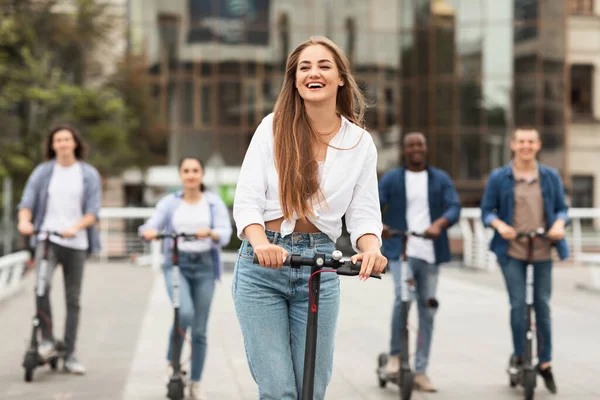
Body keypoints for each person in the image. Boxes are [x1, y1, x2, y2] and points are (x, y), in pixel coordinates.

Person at [231, 35, 387, 399]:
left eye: (323, 66)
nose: (313, 73)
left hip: (320, 266)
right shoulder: (273, 128)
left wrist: (371, 249)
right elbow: (247, 201)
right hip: (263, 266)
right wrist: (259, 244)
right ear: (295, 80)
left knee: (311, 390)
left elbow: (364, 214)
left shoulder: (359, 143)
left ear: (341, 78)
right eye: (304, 67)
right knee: (278, 390)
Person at [480, 126, 569, 394]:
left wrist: (560, 225)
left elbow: (562, 209)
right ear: (513, 144)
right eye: (521, 141)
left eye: (531, 141)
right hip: (512, 251)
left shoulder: (550, 177)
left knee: (542, 305)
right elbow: (486, 211)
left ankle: (545, 362)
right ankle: (520, 355)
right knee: (518, 305)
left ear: (538, 145)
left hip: (542, 248)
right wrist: (499, 225)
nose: (526, 146)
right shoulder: (500, 177)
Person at [139, 157, 232, 400]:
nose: (191, 175)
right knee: (184, 313)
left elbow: (225, 232)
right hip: (177, 264)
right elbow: (150, 225)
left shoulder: (212, 203)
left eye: (195, 170)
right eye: (186, 171)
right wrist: (149, 232)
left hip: (204, 268)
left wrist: (210, 233)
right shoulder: (170, 203)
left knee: (200, 330)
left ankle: (196, 382)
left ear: (202, 174)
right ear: (180, 175)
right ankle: (173, 366)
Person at [378, 132, 461, 392]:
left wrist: (439, 224)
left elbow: (454, 207)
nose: (416, 148)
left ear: (426, 148)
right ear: (404, 149)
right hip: (402, 250)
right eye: (411, 144)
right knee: (403, 301)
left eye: (420, 144)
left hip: (430, 253)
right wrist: (379, 225)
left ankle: (421, 370)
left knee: (427, 310)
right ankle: (394, 358)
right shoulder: (392, 179)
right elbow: (372, 205)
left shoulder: (440, 179)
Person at [17, 123, 102, 375]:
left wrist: (76, 227)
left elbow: (93, 212)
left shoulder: (87, 174)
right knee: (41, 288)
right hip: (47, 239)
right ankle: (47, 339)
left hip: (75, 243)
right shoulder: (43, 172)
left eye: (67, 139)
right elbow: (27, 201)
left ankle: (70, 353)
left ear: (75, 143)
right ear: (52, 146)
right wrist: (24, 220)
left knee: (73, 299)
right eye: (58, 140)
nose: (63, 144)